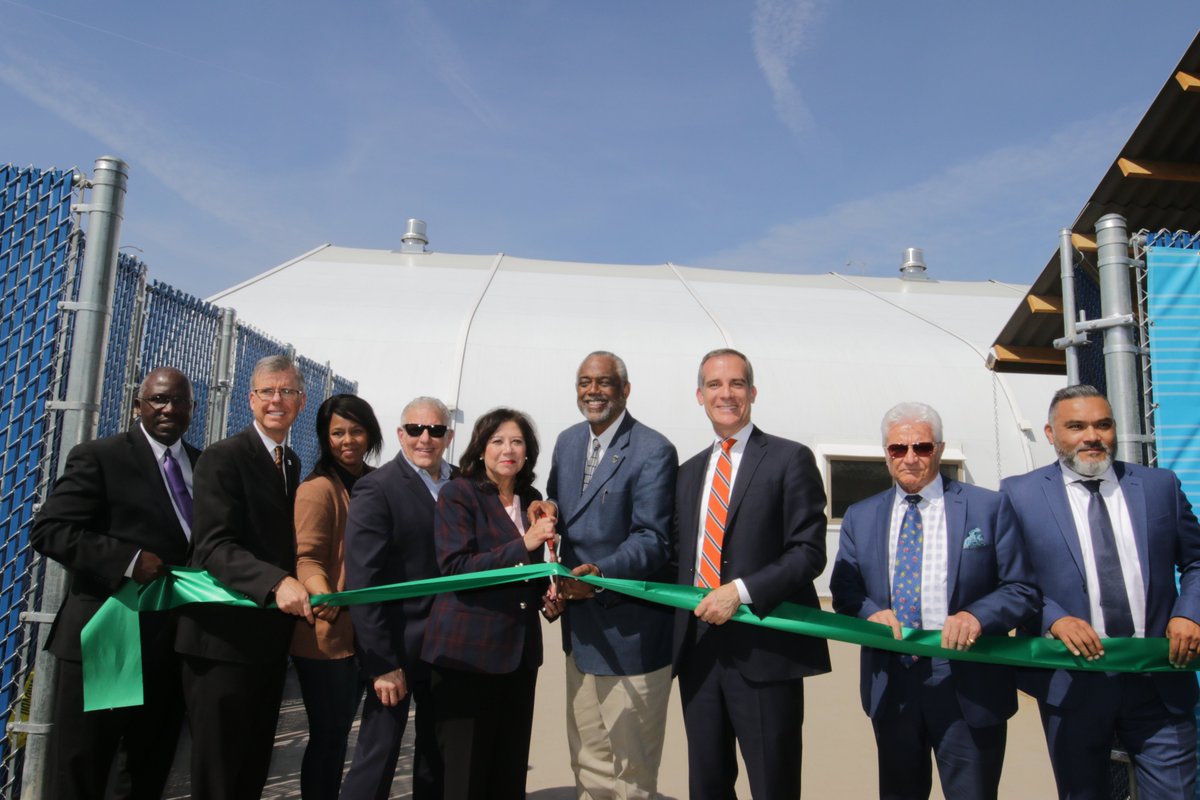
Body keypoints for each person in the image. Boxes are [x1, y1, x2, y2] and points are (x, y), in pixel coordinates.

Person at [829, 401, 1039, 799]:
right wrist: (870, 613)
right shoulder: (861, 515)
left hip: (967, 679)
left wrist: (977, 617)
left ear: (939, 450)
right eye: (898, 448)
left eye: (922, 447)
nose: (910, 458)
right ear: (887, 453)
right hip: (893, 679)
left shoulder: (988, 507)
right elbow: (845, 588)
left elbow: (1022, 588)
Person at [1000, 384, 1200, 799]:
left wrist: (1190, 612)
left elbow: (1197, 561)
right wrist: (1053, 619)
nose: (1092, 436)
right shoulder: (1018, 494)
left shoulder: (1159, 486)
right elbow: (1007, 580)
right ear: (1051, 434)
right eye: (1076, 426)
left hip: (1158, 678)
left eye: (1103, 425)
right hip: (1072, 680)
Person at [31, 367, 200, 800]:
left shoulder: (203, 466)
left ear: (192, 409)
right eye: (158, 399)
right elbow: (50, 530)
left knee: (146, 771)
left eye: (178, 401)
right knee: (82, 771)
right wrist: (127, 561)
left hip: (169, 647)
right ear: (138, 405)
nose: (168, 409)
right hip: (108, 639)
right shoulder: (100, 457)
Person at [671, 348, 830, 799]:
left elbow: (808, 552)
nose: (726, 394)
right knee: (707, 785)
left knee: (772, 784)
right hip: (699, 654)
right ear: (699, 396)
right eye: (715, 385)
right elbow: (673, 556)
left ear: (753, 392)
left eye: (736, 383)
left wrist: (739, 592)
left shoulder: (789, 459)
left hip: (765, 651)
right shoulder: (687, 473)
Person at [174, 354, 315, 799]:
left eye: (287, 391)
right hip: (222, 644)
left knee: (251, 769)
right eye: (268, 391)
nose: (277, 400)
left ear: (302, 401)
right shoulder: (223, 458)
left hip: (266, 643)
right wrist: (276, 582)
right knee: (220, 773)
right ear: (250, 399)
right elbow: (213, 545)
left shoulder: (290, 462)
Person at [545, 351, 678, 800]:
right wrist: (546, 511)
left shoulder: (653, 449)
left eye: (603, 382)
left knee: (631, 769)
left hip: (630, 635)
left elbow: (653, 540)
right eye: (585, 382)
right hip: (580, 635)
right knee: (588, 762)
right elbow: (561, 510)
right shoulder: (567, 442)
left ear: (625, 389)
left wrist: (599, 574)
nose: (593, 391)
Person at [420, 408, 563, 800]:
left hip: (519, 656)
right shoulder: (458, 494)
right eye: (497, 441)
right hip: (467, 657)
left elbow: (529, 571)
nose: (508, 450)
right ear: (480, 449)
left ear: (528, 452)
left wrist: (547, 596)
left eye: (517, 442)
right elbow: (456, 567)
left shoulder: (531, 500)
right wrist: (524, 543)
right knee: (465, 777)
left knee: (508, 771)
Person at [342, 396, 458, 799]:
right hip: (397, 650)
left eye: (435, 430)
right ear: (400, 434)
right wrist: (381, 663)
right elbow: (363, 582)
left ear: (448, 436)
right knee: (378, 756)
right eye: (415, 429)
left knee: (437, 757)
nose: (425, 438)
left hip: (449, 647)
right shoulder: (377, 489)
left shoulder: (463, 484)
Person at [290, 394, 382, 800]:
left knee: (349, 736)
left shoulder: (376, 483)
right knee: (329, 738)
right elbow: (307, 558)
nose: (348, 441)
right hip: (327, 640)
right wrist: (323, 593)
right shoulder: (317, 490)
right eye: (337, 433)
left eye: (356, 431)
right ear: (325, 438)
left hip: (368, 633)